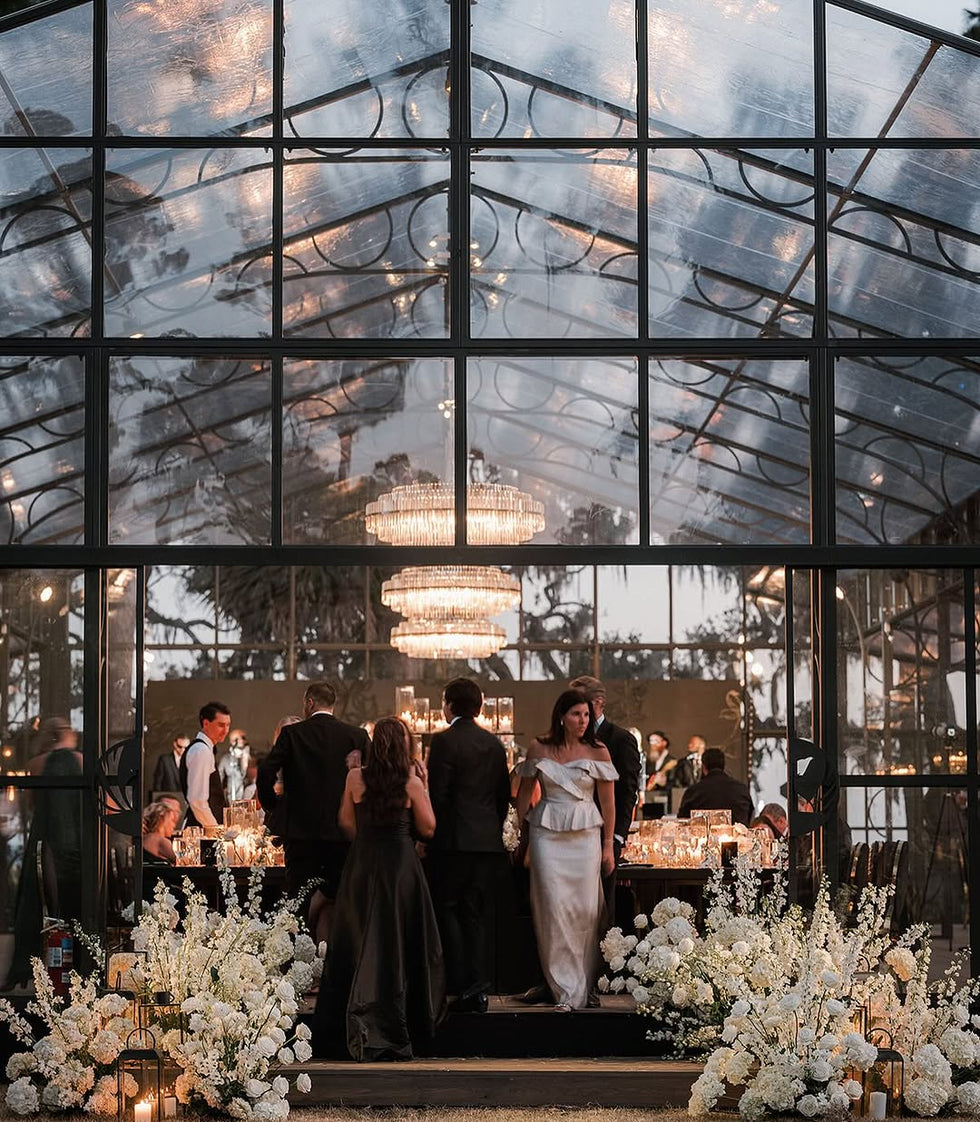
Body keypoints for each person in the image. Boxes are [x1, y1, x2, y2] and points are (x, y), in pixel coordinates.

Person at [312, 716, 445, 1061]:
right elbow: (429, 827)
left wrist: (367, 841)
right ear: (405, 746)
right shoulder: (410, 781)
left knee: (358, 938)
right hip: (400, 866)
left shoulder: (356, 777)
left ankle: (351, 1022)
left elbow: (344, 822)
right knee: (399, 938)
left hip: (364, 864)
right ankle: (403, 1022)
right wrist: (424, 786)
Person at [515, 690, 617, 1012]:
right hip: (547, 834)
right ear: (561, 716)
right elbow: (523, 796)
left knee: (584, 911)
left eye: (587, 715)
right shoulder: (539, 747)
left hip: (586, 835)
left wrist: (608, 846)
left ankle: (583, 985)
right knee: (553, 909)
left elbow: (609, 804)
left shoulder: (599, 752)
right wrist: (518, 835)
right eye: (576, 714)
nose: (583, 721)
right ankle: (563, 989)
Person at [256, 682, 370, 937]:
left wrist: (274, 806)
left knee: (298, 896)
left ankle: (300, 959)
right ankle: (335, 956)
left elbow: (265, 771)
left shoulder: (293, 735)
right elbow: (372, 780)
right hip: (342, 832)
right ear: (333, 704)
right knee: (341, 897)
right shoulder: (356, 736)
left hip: (300, 832)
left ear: (309, 703)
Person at [426, 677, 511, 1013]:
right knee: (475, 914)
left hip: (451, 842)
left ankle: (461, 984)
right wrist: (490, 828)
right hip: (486, 843)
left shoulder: (444, 741)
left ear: (448, 704)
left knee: (448, 910)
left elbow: (438, 795)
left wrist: (431, 835)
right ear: (478, 706)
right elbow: (503, 797)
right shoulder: (494, 745)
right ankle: (478, 985)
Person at [5, 717, 83, 988]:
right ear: (67, 735)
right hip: (74, 841)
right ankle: (77, 971)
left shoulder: (35, 764)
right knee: (75, 906)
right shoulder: (81, 761)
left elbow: (32, 804)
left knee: (39, 904)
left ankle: (33, 969)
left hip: (46, 840)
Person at [180, 702, 232, 829]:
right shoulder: (201, 751)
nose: (225, 730)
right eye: (220, 725)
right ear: (206, 723)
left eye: (228, 725)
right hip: (202, 832)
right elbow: (197, 801)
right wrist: (215, 831)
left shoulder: (203, 749)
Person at [678, 746, 754, 827]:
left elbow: (683, 822)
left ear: (703, 767)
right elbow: (749, 817)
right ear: (723, 766)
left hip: (702, 838)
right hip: (738, 838)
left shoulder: (693, 792)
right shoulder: (741, 789)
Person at [642, 730, 673, 819]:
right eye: (651, 741)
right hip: (649, 802)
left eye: (656, 741)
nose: (652, 744)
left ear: (664, 743)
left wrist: (665, 783)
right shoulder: (648, 762)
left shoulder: (672, 761)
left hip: (666, 802)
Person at [142, 799, 180, 864]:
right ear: (163, 820)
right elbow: (184, 859)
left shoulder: (144, 838)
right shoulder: (159, 840)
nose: (174, 825)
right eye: (172, 820)